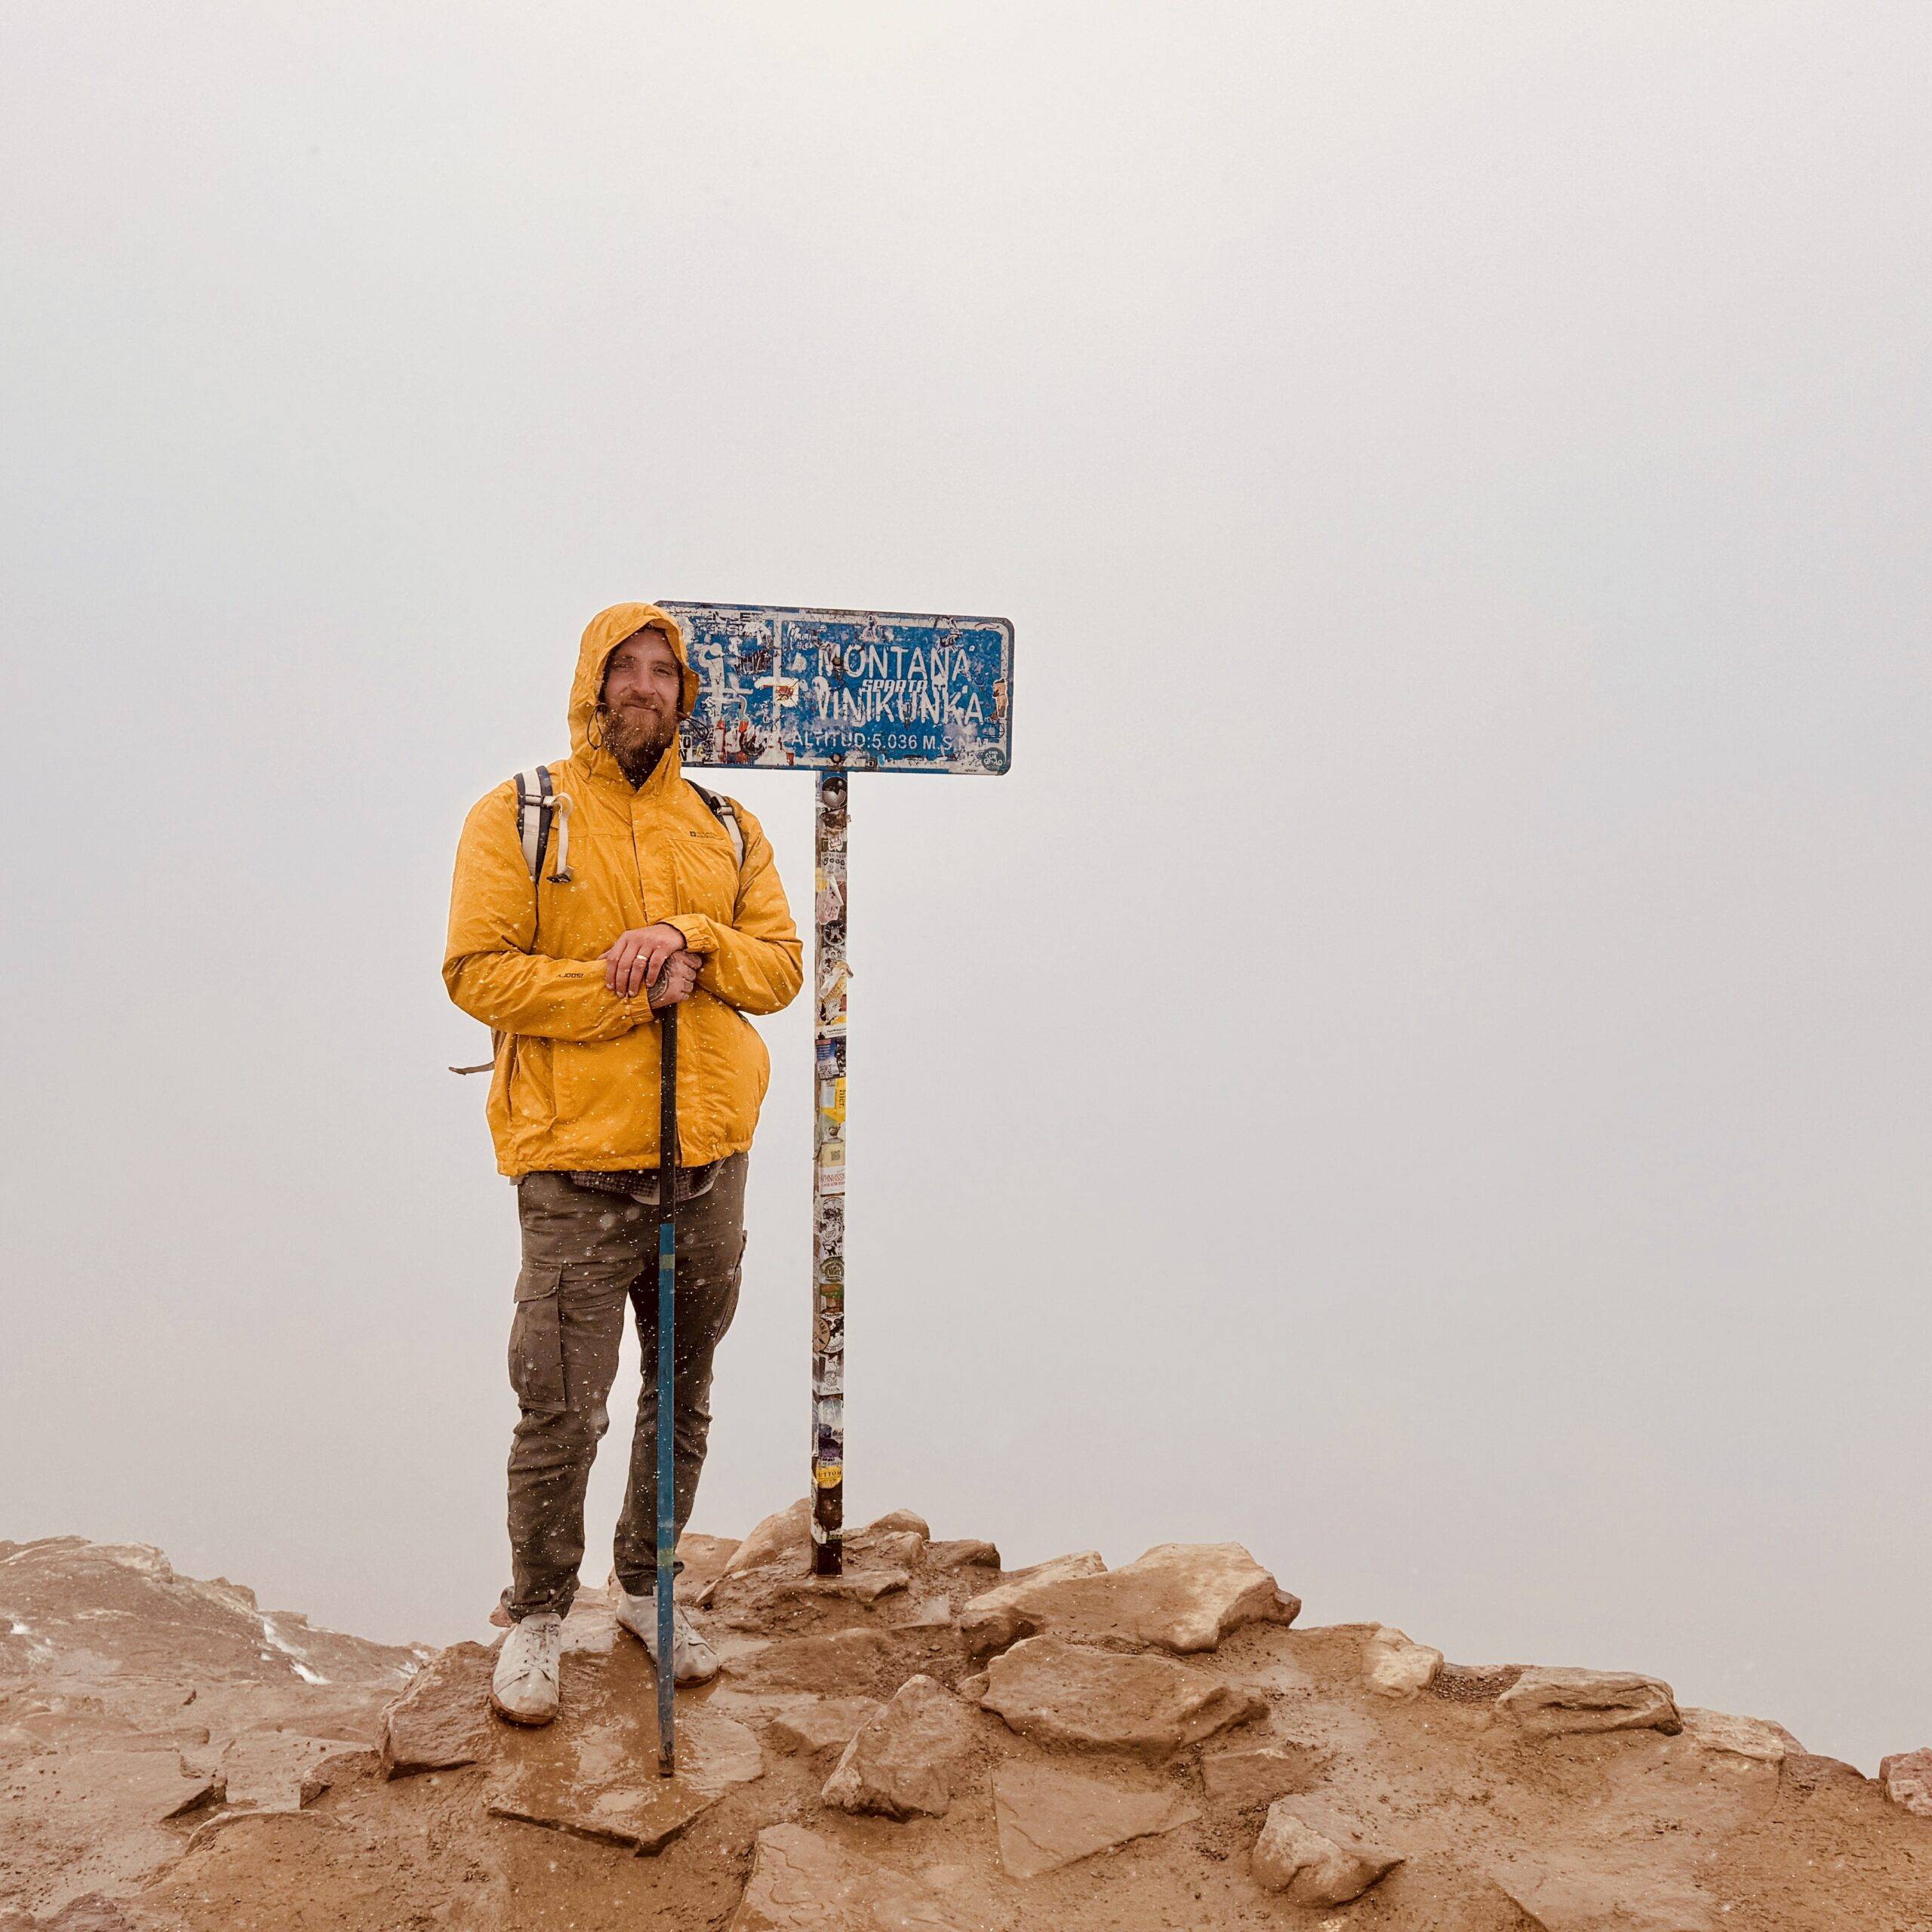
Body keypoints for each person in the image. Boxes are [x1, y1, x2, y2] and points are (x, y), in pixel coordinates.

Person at [443, 602, 803, 1726]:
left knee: (682, 1393)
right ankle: (539, 1615)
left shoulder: (726, 824)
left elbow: (781, 967)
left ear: (684, 693)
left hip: (708, 1158)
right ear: (592, 685)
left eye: (663, 671)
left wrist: (693, 937)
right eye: (625, 668)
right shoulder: (521, 813)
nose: (645, 686)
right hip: (574, 1167)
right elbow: (476, 972)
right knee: (560, 1408)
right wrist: (625, 987)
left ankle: (649, 1590)